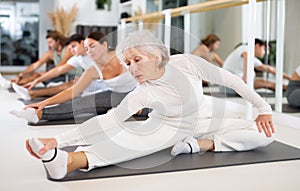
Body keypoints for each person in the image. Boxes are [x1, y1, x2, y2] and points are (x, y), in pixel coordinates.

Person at [25, 30, 274, 180]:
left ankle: (201, 145)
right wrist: (57, 141)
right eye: (127, 62)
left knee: (264, 136)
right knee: (130, 141)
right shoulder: (141, 93)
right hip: (167, 128)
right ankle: (69, 161)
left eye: (136, 59)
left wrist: (264, 108)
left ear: (155, 56)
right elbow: (109, 119)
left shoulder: (186, 63)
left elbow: (230, 80)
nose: (132, 68)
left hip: (203, 122)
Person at [10, 31, 136, 123]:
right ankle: (37, 114)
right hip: (114, 94)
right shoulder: (93, 70)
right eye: (87, 49)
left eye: (92, 46)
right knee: (80, 103)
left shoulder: (125, 55)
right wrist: (43, 103)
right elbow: (73, 91)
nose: (89, 51)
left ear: (104, 45)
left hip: (139, 93)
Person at [11, 33, 108, 100]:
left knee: (75, 83)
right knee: (73, 82)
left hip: (107, 84)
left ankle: (31, 94)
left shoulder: (95, 52)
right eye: (70, 48)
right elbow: (57, 70)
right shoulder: (77, 58)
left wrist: (85, 78)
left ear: (82, 43)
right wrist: (37, 81)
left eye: (74, 46)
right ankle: (30, 93)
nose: (72, 50)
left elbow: (106, 71)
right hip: (96, 83)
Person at [221, 38, 291, 95]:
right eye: (264, 49)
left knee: (268, 84)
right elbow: (246, 57)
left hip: (235, 85)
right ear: (257, 45)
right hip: (227, 86)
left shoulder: (253, 59)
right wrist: (246, 77)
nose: (267, 52)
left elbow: (270, 69)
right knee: (265, 83)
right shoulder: (245, 48)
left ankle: (291, 88)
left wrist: (291, 78)